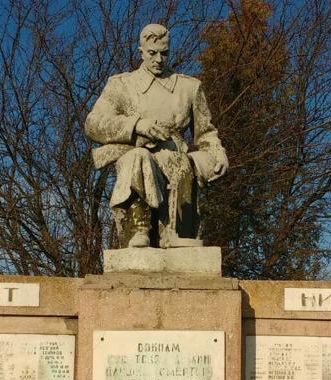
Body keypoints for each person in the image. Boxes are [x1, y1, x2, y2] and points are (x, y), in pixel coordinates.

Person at [85, 23, 228, 248]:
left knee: (180, 165)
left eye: (164, 53)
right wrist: (136, 125)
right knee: (138, 157)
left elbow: (206, 133)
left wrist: (217, 153)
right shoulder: (122, 85)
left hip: (177, 162)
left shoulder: (189, 87)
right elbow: (93, 124)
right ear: (141, 51)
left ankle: (176, 234)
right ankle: (139, 228)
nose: (159, 59)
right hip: (137, 156)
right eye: (152, 53)